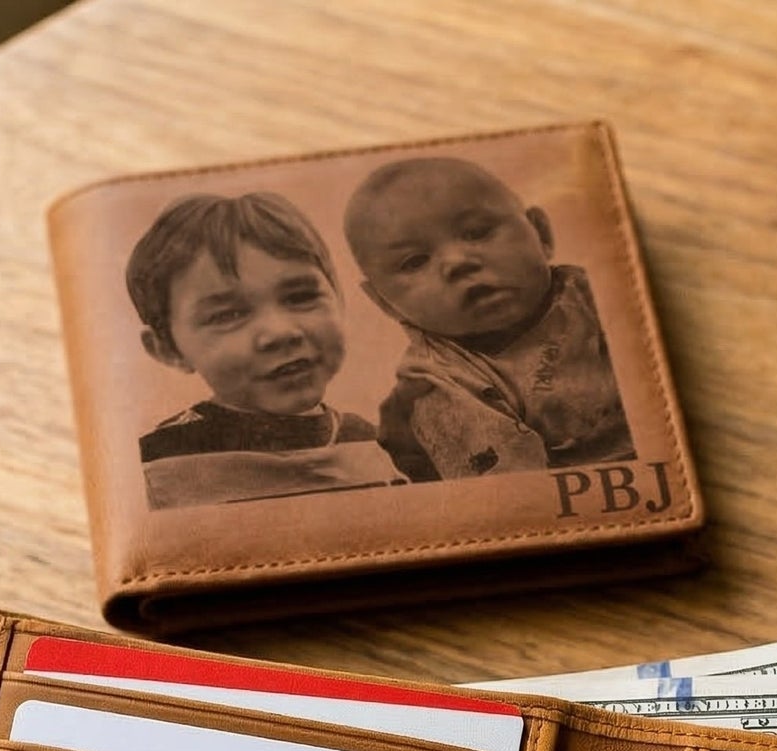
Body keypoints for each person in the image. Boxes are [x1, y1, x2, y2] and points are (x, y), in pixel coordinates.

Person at [343, 157, 635, 481]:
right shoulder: (437, 388)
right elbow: (520, 497)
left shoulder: (595, 296)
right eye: (415, 261)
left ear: (540, 234)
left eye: (477, 232)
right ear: (384, 302)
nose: (457, 262)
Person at [125, 191, 400, 508]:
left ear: (339, 300)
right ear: (167, 348)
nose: (280, 333)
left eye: (300, 297)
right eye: (228, 315)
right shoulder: (158, 465)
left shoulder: (377, 446)